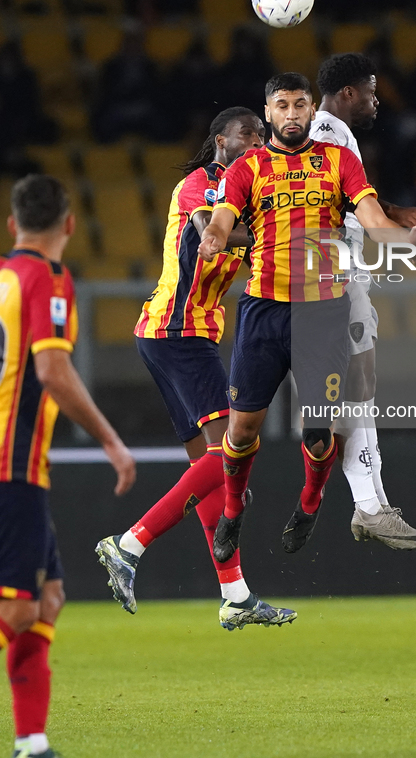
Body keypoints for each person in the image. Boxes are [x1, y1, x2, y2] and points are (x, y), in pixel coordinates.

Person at [197, 72, 416, 565]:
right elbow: (224, 218)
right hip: (264, 310)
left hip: (324, 312)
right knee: (243, 429)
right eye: (282, 106)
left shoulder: (339, 161)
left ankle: (309, 505)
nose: (291, 114)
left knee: (318, 432)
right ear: (268, 113)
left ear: (312, 110)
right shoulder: (247, 168)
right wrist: (214, 236)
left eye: (299, 104)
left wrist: (411, 243)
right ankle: (232, 512)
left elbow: (375, 222)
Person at [95, 107, 296, 631]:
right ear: (218, 141)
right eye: (245, 135)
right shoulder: (201, 185)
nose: (255, 143)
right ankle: (129, 544)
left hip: (179, 334)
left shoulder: (247, 199)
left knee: (210, 472)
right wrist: (270, 236)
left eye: (260, 136)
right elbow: (211, 231)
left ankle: (235, 594)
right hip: (176, 332)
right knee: (234, 449)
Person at [0, 174, 136, 758]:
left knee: (48, 597)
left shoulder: (3, 275)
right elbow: (52, 372)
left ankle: (32, 742)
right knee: (21, 605)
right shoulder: (47, 277)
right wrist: (110, 440)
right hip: (12, 464)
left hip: (19, 464)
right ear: (70, 225)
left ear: (13, 224)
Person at [312, 52, 416, 549]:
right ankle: (366, 503)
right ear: (348, 93)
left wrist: (392, 208)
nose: (375, 98)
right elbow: (330, 199)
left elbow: (346, 193)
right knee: (352, 389)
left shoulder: (335, 136)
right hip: (331, 270)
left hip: (340, 268)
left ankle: (365, 503)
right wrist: (414, 248)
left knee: (356, 387)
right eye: (369, 89)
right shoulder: (327, 131)